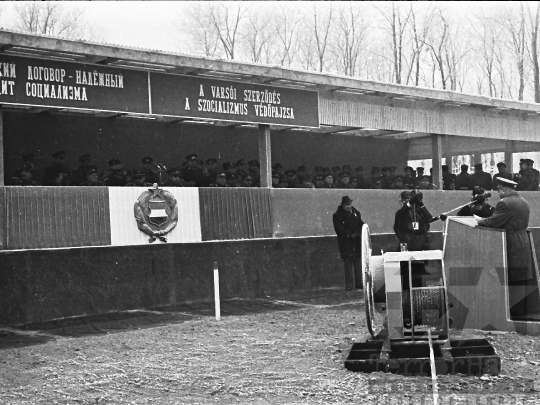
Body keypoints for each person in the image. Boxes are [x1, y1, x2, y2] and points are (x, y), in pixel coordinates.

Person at [477, 177, 533, 318]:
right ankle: (519, 312)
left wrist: (479, 220)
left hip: (510, 240)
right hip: (522, 240)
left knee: (511, 275)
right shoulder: (523, 201)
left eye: (499, 190)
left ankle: (511, 314)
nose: (498, 194)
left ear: (504, 189)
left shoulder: (505, 203)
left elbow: (494, 222)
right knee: (520, 275)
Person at [394, 190, 447, 327]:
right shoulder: (402, 212)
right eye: (406, 199)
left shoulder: (419, 211)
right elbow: (399, 219)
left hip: (420, 245)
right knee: (405, 277)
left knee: (421, 275)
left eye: (410, 199)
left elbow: (428, 218)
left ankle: (422, 308)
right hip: (407, 245)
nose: (408, 201)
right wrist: (409, 204)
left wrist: (422, 205)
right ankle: (406, 312)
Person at [332, 196, 365, 291]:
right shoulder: (337, 216)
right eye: (346, 205)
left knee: (357, 262)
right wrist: (349, 235)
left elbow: (361, 225)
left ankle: (359, 283)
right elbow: (338, 229)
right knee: (348, 263)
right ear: (342, 205)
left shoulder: (356, 213)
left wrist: (357, 234)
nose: (348, 206)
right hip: (346, 242)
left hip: (356, 241)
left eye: (349, 204)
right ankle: (349, 284)